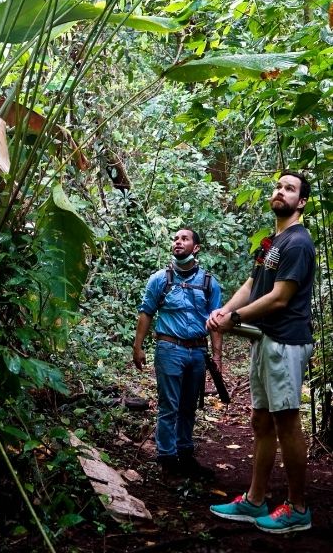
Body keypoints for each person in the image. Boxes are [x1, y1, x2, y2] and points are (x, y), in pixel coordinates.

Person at [207, 170, 315, 534]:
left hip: (286, 341)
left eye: (290, 189)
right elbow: (253, 284)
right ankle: (255, 500)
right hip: (265, 340)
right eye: (278, 186)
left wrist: (234, 317)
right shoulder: (272, 242)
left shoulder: (298, 242)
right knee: (261, 421)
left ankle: (298, 507)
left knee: (286, 422)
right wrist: (224, 311)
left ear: (301, 202)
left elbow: (280, 297)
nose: (280, 192)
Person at [132, 228, 224, 478]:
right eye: (175, 239)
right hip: (169, 348)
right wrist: (137, 347)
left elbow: (217, 320)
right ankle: (166, 457)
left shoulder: (209, 282)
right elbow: (146, 312)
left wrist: (217, 357)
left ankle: (185, 453)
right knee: (168, 405)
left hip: (197, 352)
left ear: (196, 248)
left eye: (184, 239)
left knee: (188, 405)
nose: (178, 242)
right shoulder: (159, 279)